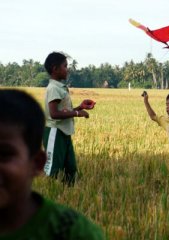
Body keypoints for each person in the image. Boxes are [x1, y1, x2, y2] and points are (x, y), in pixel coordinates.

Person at [0, 89, 104, 239]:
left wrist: (77, 110)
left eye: (5, 155)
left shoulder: (72, 232)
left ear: (36, 163)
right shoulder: (54, 88)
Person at [43, 52, 95, 186]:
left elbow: (64, 111)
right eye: (65, 66)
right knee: (53, 170)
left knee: (70, 168)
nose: (68, 69)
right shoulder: (54, 88)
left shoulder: (60, 87)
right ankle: (51, 197)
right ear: (55, 69)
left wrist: (79, 107)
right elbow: (54, 114)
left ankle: (70, 194)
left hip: (64, 132)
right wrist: (77, 114)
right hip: (55, 132)